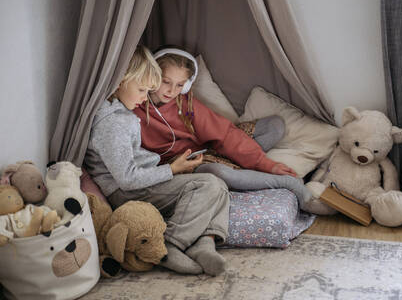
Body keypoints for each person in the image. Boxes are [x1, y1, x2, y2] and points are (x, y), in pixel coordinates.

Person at [84, 45, 230, 276]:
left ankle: (205, 242)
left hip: (143, 182)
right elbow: (127, 179)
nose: (144, 98)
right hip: (126, 192)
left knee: (220, 188)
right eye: (142, 89)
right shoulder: (112, 123)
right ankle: (171, 244)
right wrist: (171, 169)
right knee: (209, 185)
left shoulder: (119, 112)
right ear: (120, 81)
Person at [133, 48, 318, 212]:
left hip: (210, 148)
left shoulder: (186, 103)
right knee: (218, 173)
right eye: (166, 82)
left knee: (274, 126)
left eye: (180, 85)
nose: (172, 90)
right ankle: (285, 183)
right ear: (153, 75)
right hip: (186, 164)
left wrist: (268, 164)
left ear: (187, 85)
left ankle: (242, 167)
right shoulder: (135, 106)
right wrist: (270, 170)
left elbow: (225, 134)